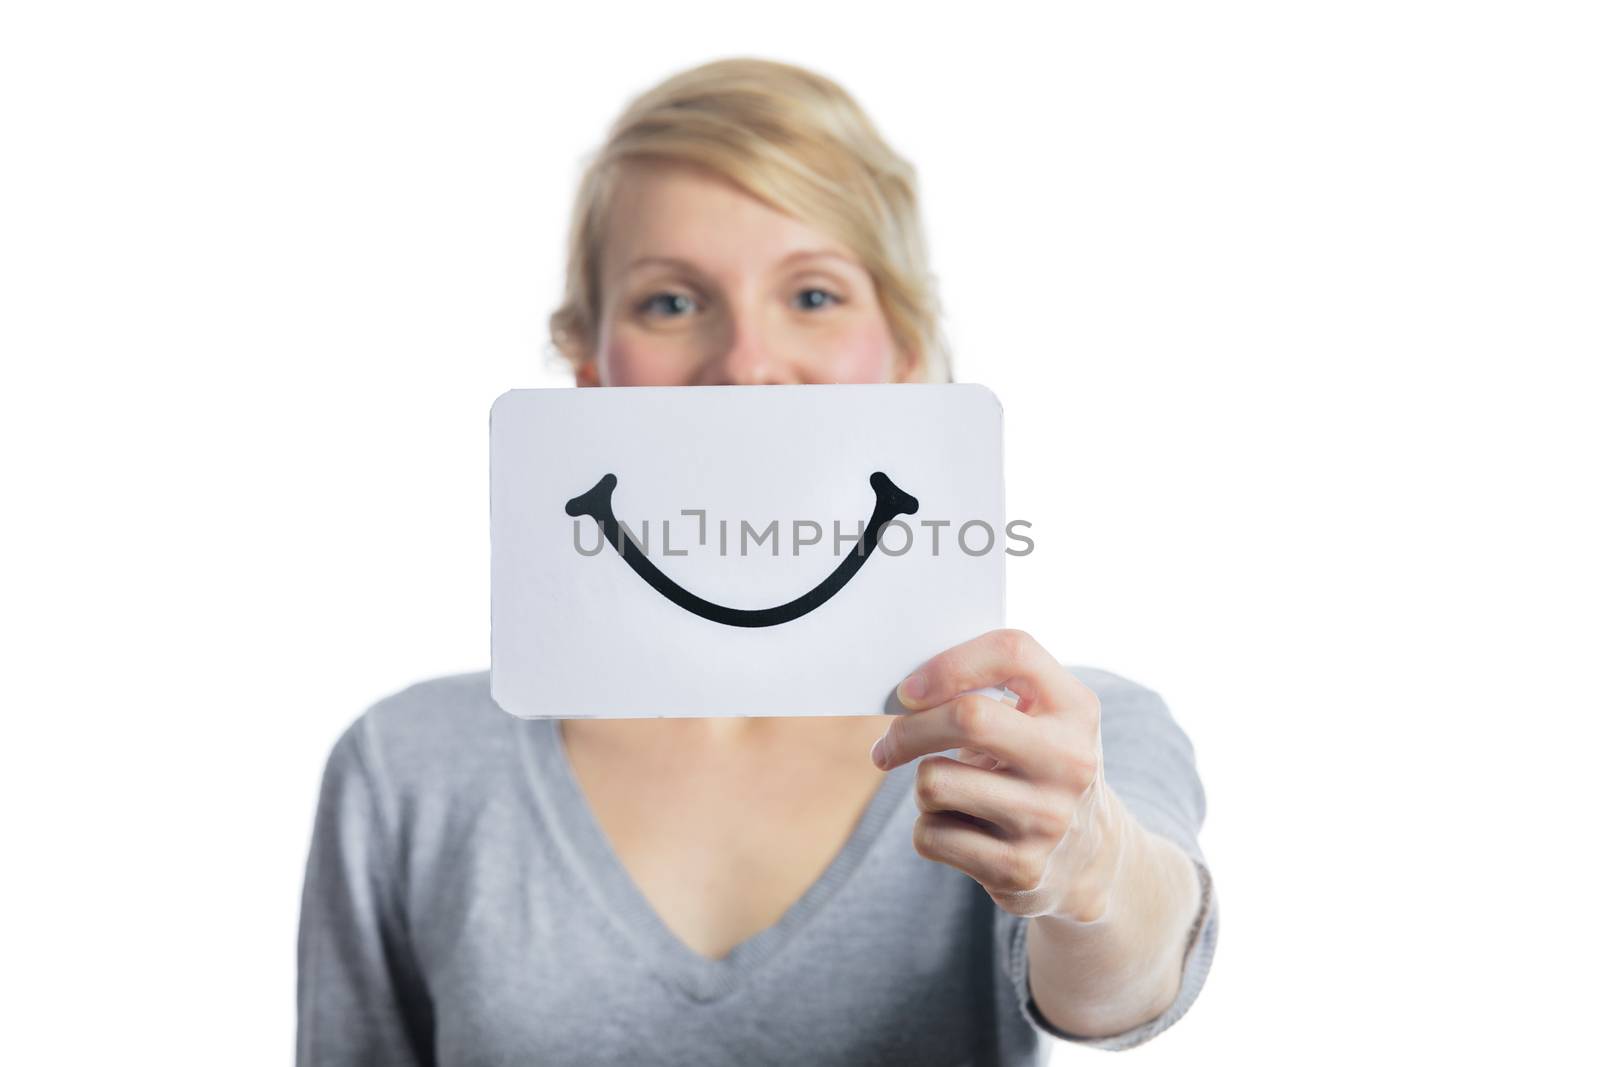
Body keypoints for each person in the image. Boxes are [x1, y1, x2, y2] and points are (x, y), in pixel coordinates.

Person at [297, 57, 1218, 1066]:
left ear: (905, 352)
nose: (745, 363)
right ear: (590, 366)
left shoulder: (1047, 739)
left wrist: (1093, 865)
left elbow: (1135, 971)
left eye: (813, 293)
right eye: (670, 302)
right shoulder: (406, 767)